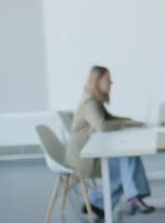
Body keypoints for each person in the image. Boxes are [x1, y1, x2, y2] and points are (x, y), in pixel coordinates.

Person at [65, 66, 155, 218]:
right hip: (84, 158)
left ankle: (97, 202)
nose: (111, 83)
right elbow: (102, 125)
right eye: (108, 80)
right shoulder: (89, 102)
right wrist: (127, 124)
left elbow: (109, 119)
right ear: (97, 81)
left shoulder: (94, 101)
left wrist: (129, 121)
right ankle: (132, 197)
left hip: (90, 152)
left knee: (126, 162)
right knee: (126, 159)